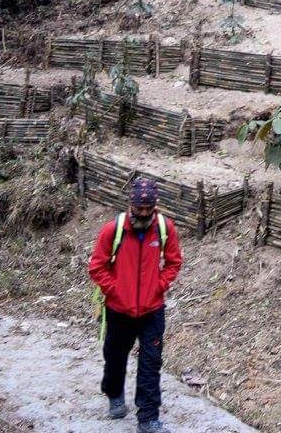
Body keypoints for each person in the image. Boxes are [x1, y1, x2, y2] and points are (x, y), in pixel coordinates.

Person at [87, 177, 183, 432]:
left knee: (151, 363)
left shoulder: (165, 228)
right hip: (119, 309)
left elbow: (174, 262)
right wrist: (115, 290)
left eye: (147, 210)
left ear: (155, 206)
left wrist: (159, 285)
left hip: (152, 310)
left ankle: (148, 418)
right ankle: (114, 393)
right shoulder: (113, 230)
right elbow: (97, 266)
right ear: (130, 204)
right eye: (138, 209)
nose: (142, 214)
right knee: (115, 357)